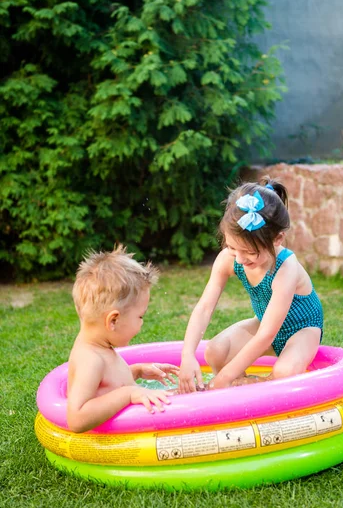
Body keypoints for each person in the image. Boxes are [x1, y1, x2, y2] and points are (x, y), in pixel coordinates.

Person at [178, 176, 324, 394]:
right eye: (232, 248)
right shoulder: (229, 258)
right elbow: (204, 308)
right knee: (216, 351)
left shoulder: (286, 268)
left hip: (302, 329)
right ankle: (243, 392)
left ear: (277, 239)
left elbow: (267, 334)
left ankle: (262, 386)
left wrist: (224, 377)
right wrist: (187, 355)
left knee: (284, 373)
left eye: (249, 252)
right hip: (265, 322)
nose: (239, 259)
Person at [67, 245, 179, 433]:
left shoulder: (101, 348)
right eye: (140, 317)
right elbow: (77, 418)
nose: (142, 323)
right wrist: (129, 393)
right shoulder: (91, 360)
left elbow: (107, 384)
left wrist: (138, 371)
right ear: (113, 320)